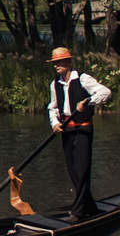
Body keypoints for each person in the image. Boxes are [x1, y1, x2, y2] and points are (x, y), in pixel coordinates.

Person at [48, 46, 113, 221]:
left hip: (83, 129)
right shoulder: (55, 84)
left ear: (69, 62)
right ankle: (89, 206)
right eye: (54, 63)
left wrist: (88, 101)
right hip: (67, 130)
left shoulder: (83, 78)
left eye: (59, 62)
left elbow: (105, 92)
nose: (56, 66)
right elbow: (53, 107)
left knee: (82, 169)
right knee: (73, 172)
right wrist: (55, 123)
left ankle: (77, 212)